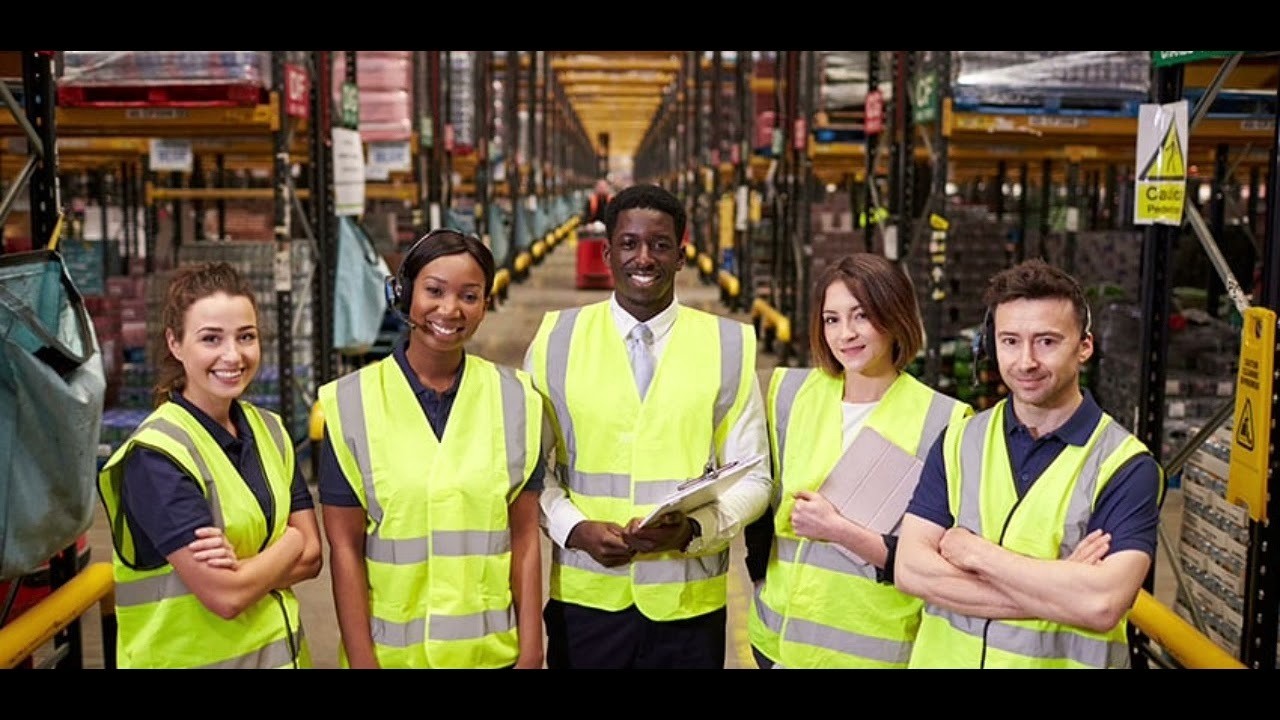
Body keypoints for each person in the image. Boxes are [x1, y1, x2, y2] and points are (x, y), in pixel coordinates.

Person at [525, 183, 771, 669]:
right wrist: (574, 530)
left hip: (687, 606)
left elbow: (756, 476)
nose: (644, 258)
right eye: (630, 244)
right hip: (588, 599)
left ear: (681, 255)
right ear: (607, 252)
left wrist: (694, 530)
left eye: (660, 245)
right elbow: (530, 469)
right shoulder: (556, 339)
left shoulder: (729, 345)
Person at [895, 258, 1164, 669]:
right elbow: (912, 572)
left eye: (1047, 341)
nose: (1025, 362)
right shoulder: (958, 441)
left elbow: (1101, 604)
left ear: (1084, 346)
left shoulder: (1125, 466)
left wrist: (976, 554)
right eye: (1010, 341)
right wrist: (1059, 586)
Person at [317, 228, 546, 669]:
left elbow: (524, 537)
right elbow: (344, 550)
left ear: (485, 304)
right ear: (405, 295)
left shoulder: (516, 399)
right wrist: (363, 662)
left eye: (469, 295)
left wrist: (532, 652)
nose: (450, 309)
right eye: (434, 291)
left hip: (491, 655)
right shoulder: (350, 404)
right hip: (393, 658)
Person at [744, 253, 972, 669]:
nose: (845, 333)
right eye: (831, 319)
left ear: (894, 315)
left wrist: (839, 531)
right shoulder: (790, 395)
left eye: (861, 316)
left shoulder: (944, 421)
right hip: (778, 641)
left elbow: (944, 556)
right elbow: (762, 505)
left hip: (875, 650)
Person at [96, 262, 321, 669]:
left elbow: (314, 556)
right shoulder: (157, 455)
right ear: (175, 343)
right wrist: (288, 543)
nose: (232, 355)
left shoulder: (269, 430)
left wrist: (246, 568)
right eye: (211, 339)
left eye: (246, 337)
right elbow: (227, 596)